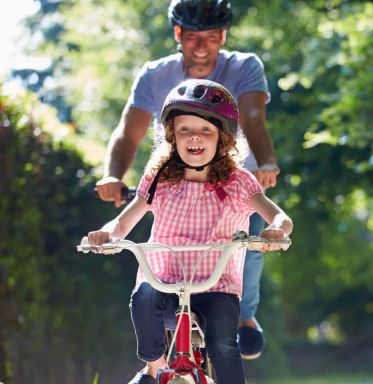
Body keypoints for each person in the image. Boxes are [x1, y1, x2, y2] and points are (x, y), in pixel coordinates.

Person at [93, 0, 276, 359]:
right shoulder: (154, 74)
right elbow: (128, 134)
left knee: (247, 243)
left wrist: (266, 163)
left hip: (230, 182)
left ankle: (244, 318)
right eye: (193, 37)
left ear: (223, 36)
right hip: (176, 183)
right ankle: (156, 358)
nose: (202, 46)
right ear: (178, 34)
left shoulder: (244, 66)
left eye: (211, 37)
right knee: (159, 245)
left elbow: (253, 118)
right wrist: (113, 175)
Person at [84, 79, 293, 384]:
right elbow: (124, 222)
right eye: (184, 130)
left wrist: (276, 230)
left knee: (223, 342)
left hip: (216, 286)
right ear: (172, 135)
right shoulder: (159, 177)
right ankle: (154, 368)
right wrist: (106, 234)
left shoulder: (239, 181)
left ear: (222, 139)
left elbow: (280, 217)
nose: (194, 137)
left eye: (205, 130)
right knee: (142, 299)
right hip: (165, 282)